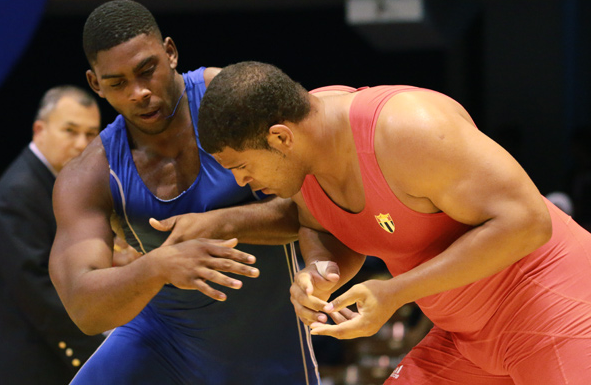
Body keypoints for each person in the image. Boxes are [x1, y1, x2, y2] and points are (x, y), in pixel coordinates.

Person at [197, 61, 591, 384]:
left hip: (552, 309)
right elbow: (320, 226)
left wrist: (395, 292)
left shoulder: (409, 130)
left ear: (281, 138)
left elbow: (528, 222)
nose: (241, 182)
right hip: (467, 334)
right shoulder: (302, 148)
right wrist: (320, 271)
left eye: (242, 166)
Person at [48, 1, 319, 385]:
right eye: (117, 83)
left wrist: (215, 223)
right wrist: (158, 266)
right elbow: (84, 308)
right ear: (95, 84)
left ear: (171, 53)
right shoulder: (90, 175)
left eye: (147, 70)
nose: (139, 92)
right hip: (161, 345)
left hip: (266, 350)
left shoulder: (234, 99)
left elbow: (317, 208)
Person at [0, 85, 103, 384]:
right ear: (39, 130)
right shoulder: (16, 193)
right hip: (32, 363)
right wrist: (101, 353)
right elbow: (38, 291)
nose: (82, 144)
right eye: (70, 130)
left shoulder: (62, 181)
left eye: (91, 133)